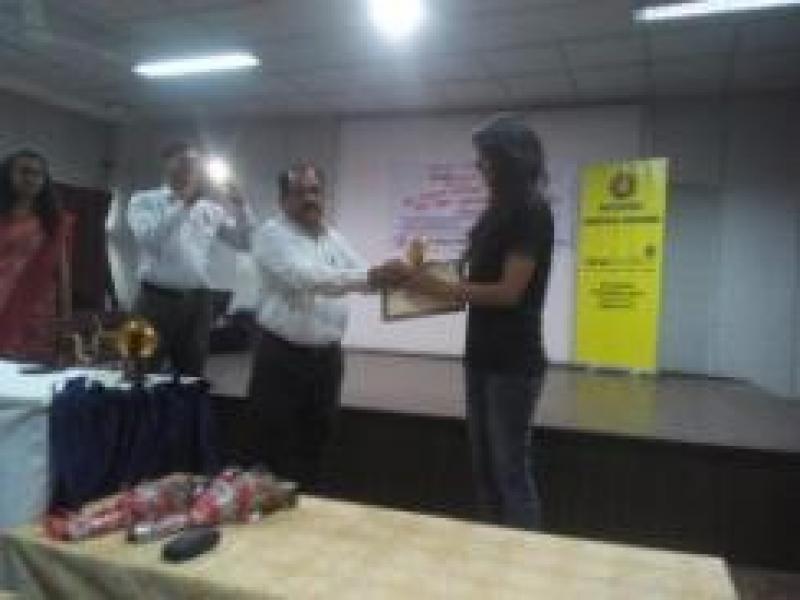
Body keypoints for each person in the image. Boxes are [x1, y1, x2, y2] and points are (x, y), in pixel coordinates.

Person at [399, 115, 554, 529]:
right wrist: (423, 272)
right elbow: (475, 278)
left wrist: (438, 288)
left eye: (485, 157)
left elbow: (509, 292)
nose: (478, 166)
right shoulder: (496, 212)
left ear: (509, 159)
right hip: (481, 356)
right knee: (485, 470)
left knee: (510, 473)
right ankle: (489, 553)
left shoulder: (531, 211)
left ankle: (521, 560)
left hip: (514, 363)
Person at [246, 162, 401, 488]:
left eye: (315, 191)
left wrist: (397, 277)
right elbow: (307, 278)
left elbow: (362, 275)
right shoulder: (271, 235)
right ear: (283, 200)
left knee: (317, 443)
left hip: (326, 360)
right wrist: (371, 277)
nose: (310, 199)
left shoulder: (332, 238)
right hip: (282, 358)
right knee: (273, 447)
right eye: (299, 193)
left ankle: (310, 509)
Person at [128, 142, 253, 377]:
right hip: (153, 301)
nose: (190, 167)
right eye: (183, 161)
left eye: (195, 163)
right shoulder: (143, 201)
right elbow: (149, 240)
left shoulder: (210, 209)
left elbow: (245, 243)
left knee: (191, 373)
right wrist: (185, 204)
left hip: (198, 303)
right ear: (167, 163)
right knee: (139, 369)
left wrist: (241, 206)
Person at [0, 149, 75, 362]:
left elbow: (63, 276)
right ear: (8, 175)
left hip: (34, 315)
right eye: (24, 171)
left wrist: (65, 323)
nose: (31, 178)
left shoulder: (55, 223)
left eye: (38, 173)